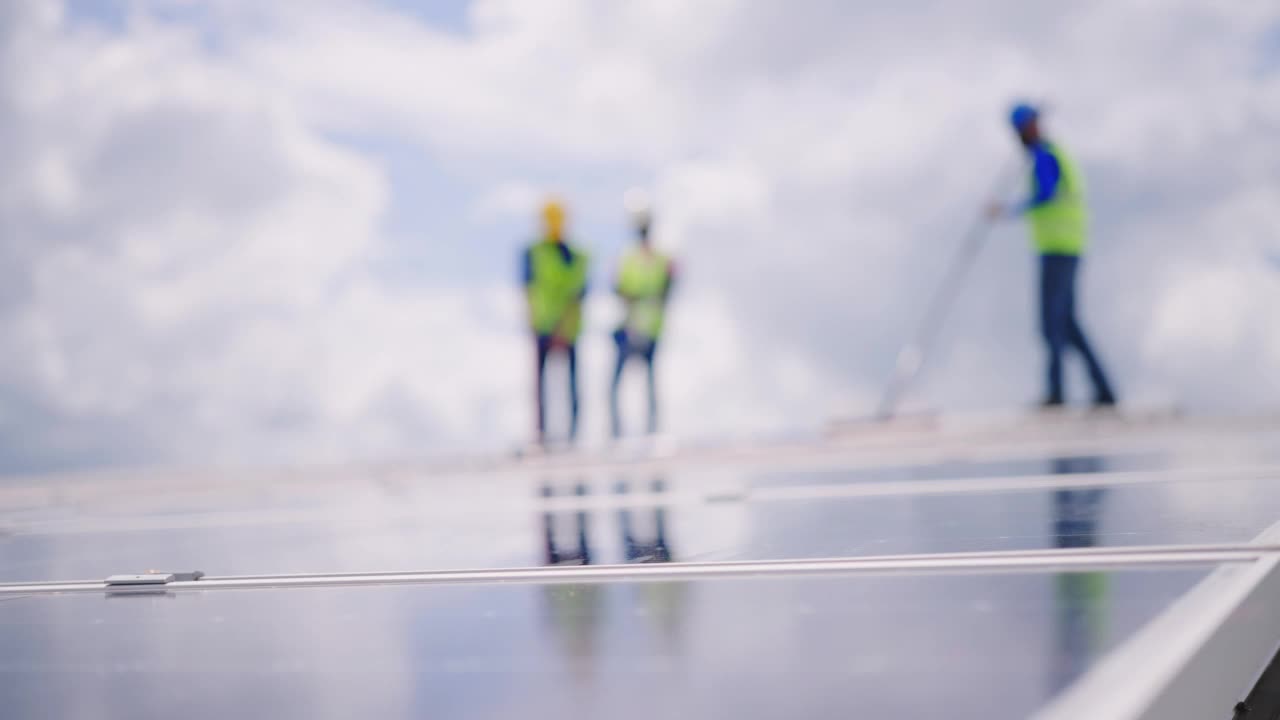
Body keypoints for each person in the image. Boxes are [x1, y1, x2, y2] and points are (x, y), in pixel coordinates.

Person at [988, 103, 1118, 409]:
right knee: (1069, 324)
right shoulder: (1050, 155)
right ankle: (1104, 389)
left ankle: (1057, 393)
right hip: (1068, 245)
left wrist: (1007, 211)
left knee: (1052, 324)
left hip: (1058, 247)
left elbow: (1046, 194)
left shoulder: (1045, 157)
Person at [522, 199, 590, 445]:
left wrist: (562, 327)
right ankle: (541, 434)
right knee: (542, 387)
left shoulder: (577, 256)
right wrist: (533, 322)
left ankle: (573, 434)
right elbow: (528, 290)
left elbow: (578, 294)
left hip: (567, 328)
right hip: (543, 328)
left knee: (570, 384)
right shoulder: (533, 253)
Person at [609, 200, 675, 438]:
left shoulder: (659, 258)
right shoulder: (630, 257)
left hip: (647, 326)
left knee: (646, 383)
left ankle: (651, 431)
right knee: (624, 384)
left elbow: (668, 288)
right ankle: (618, 432)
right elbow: (617, 288)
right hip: (631, 326)